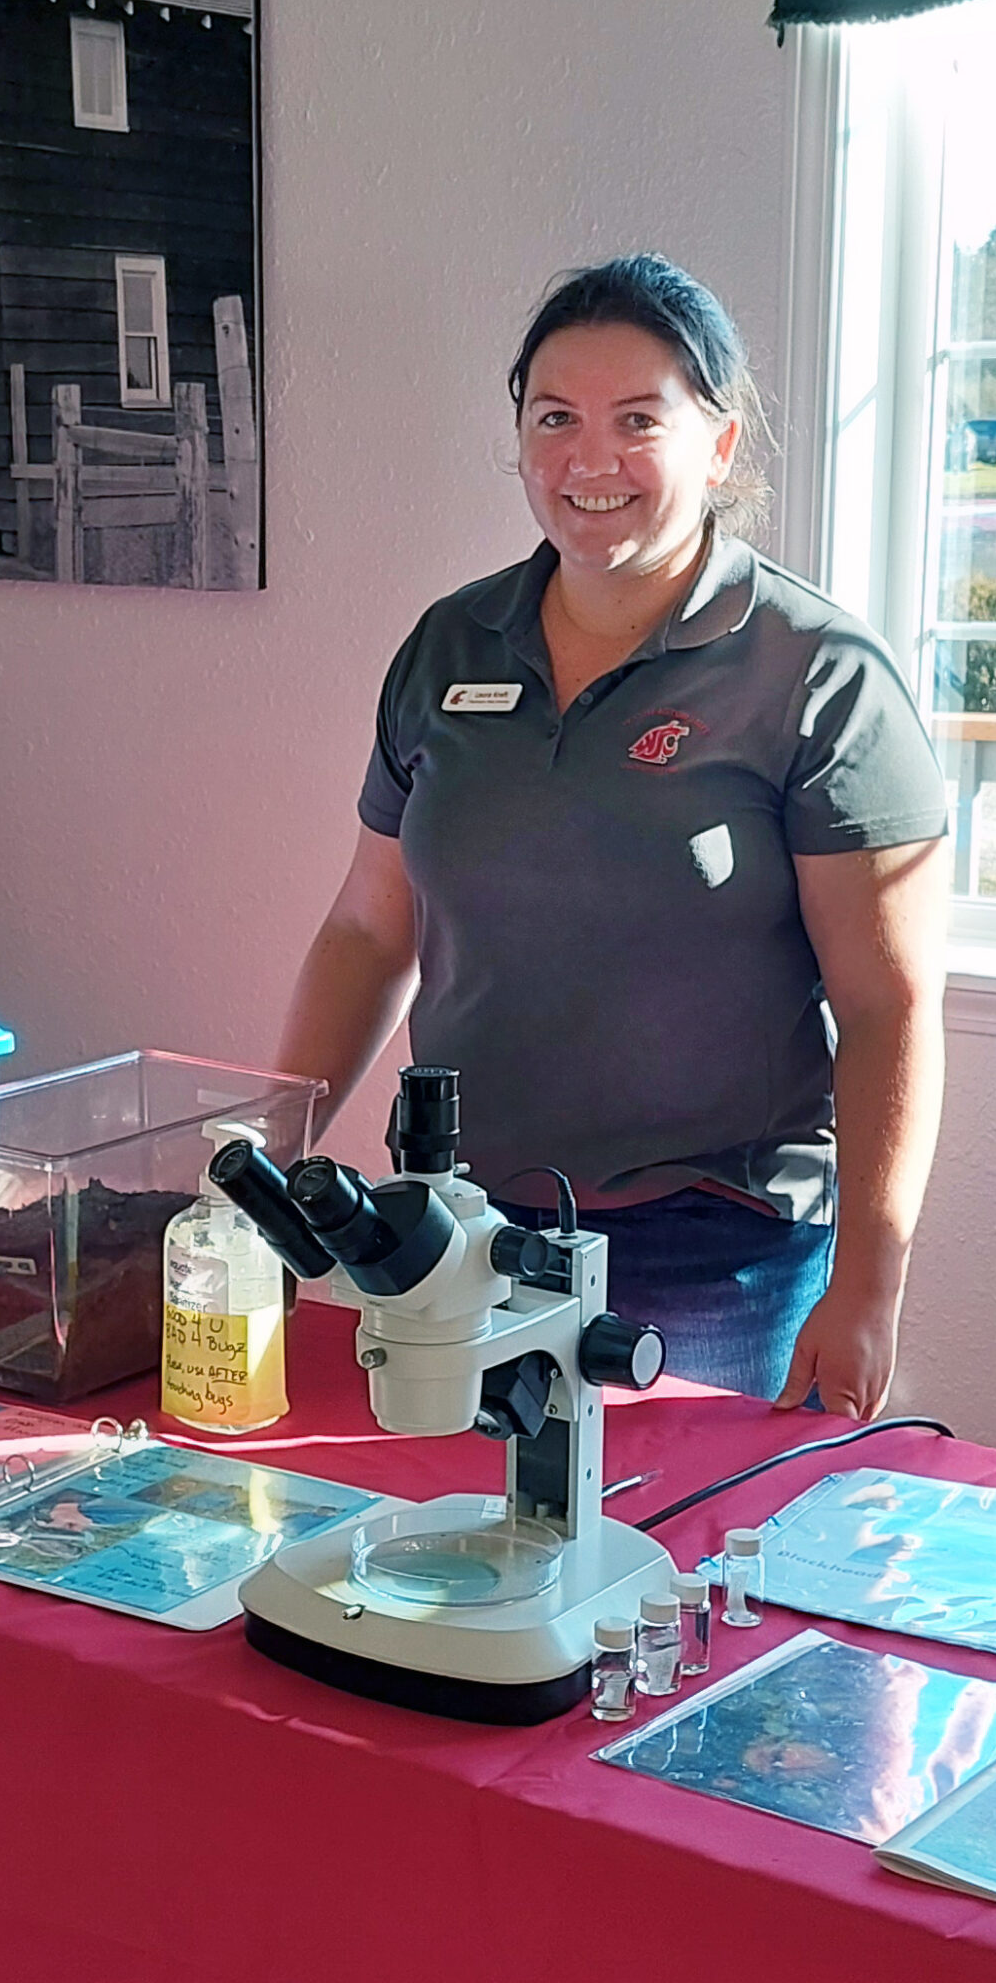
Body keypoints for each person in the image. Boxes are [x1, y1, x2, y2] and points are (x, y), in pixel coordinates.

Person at [275, 256, 951, 1418]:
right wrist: (277, 1169)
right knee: (449, 1562)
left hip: (712, 1252)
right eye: (555, 419)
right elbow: (364, 929)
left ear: (719, 445)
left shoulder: (817, 674)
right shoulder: (450, 647)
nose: (590, 460)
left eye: (639, 420)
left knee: (663, 1578)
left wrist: (868, 1286)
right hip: (460, 1232)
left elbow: (889, 1008)